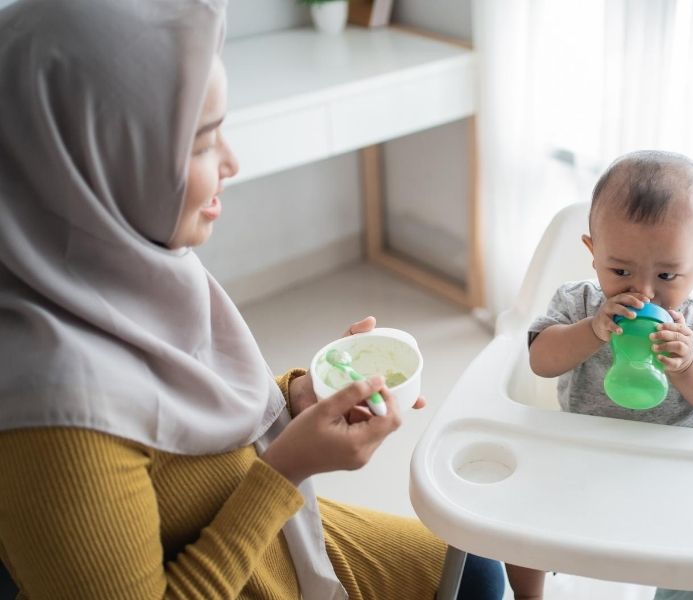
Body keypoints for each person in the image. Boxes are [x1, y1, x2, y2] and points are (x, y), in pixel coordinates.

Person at [0, 1, 504, 598]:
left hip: (257, 523)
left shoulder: (124, 269)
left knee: (475, 567)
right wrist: (287, 468)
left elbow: (187, 420)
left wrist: (298, 396)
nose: (232, 163)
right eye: (201, 144)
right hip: (241, 550)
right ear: (95, 156)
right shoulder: (52, 420)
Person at [506, 151, 693, 600]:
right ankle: (528, 595)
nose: (643, 292)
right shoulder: (578, 303)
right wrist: (593, 330)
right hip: (579, 447)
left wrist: (689, 365)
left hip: (672, 466)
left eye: (668, 274)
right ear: (592, 252)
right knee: (515, 517)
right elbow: (541, 359)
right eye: (620, 271)